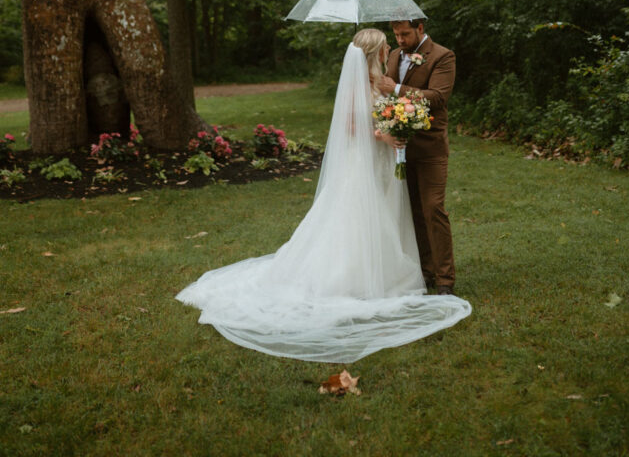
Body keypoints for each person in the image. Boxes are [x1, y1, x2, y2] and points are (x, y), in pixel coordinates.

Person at [176, 29, 471, 363]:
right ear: (374, 52)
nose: (391, 46)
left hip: (382, 162)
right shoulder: (358, 84)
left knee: (384, 216)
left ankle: (399, 268)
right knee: (357, 216)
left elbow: (395, 108)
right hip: (365, 163)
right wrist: (384, 136)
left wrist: (396, 124)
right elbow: (350, 126)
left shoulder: (381, 79)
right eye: (386, 45)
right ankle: (354, 275)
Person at [378, 19, 457, 294]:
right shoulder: (394, 55)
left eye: (404, 34)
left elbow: (437, 97)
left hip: (431, 147)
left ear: (420, 27)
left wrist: (396, 89)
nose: (399, 40)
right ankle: (426, 272)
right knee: (412, 212)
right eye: (396, 34)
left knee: (433, 209)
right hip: (399, 148)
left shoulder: (443, 56)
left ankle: (446, 280)